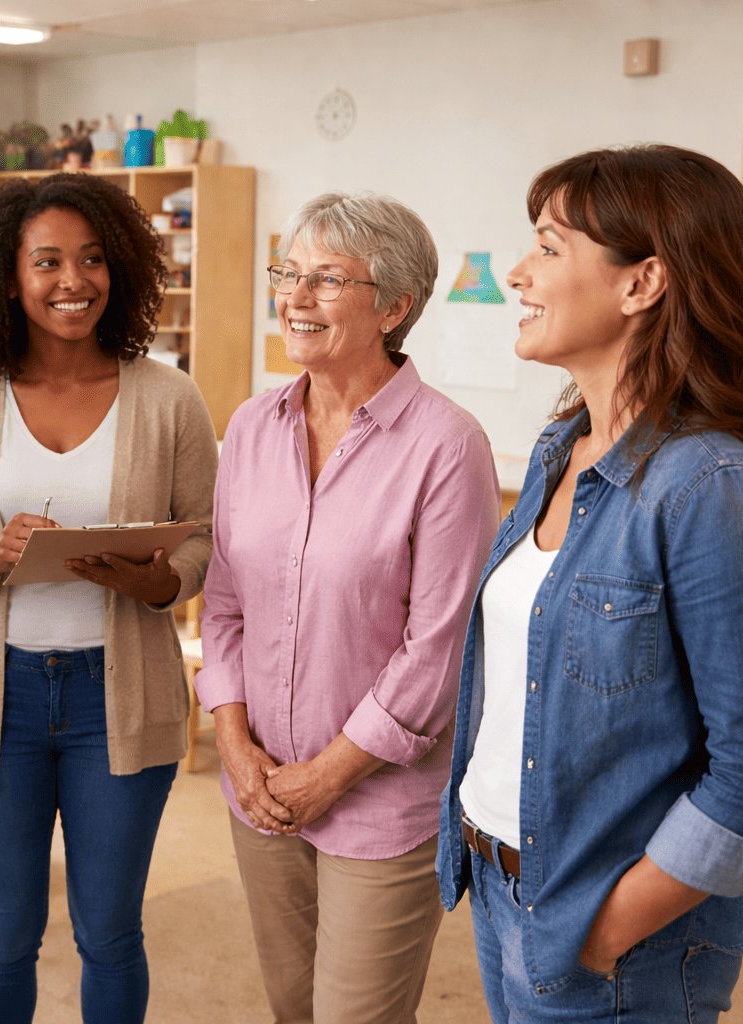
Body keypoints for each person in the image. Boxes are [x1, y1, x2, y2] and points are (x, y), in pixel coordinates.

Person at [437, 144, 743, 1023]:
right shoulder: (558, 450)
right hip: (502, 888)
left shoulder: (706, 487)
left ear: (642, 282)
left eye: (548, 247)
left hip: (609, 933)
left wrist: (607, 927)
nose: (519, 275)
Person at [0, 173, 217, 1024]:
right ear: (8, 275)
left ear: (119, 268)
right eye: (46, 261)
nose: (71, 280)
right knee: (4, 935)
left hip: (117, 698)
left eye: (91, 259)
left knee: (111, 932)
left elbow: (203, 536)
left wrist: (160, 581)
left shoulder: (168, 396)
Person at [197, 191, 498, 1024]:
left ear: (395, 306)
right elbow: (224, 605)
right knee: (293, 1007)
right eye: (288, 273)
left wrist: (326, 776)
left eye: (326, 280)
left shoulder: (447, 444)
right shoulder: (252, 427)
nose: (294, 297)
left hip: (378, 801)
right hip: (258, 788)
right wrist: (235, 748)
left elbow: (439, 651)